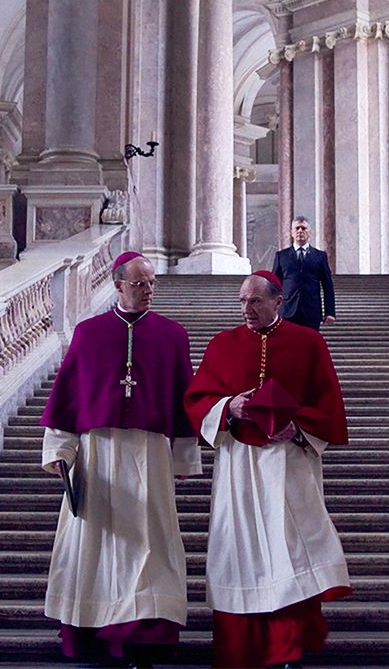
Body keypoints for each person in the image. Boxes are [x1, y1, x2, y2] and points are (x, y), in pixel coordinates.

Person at [39, 251, 201, 667]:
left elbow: (185, 399)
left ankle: (144, 637)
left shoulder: (172, 335)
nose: (148, 291)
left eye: (152, 283)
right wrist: (60, 450)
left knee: (151, 546)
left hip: (150, 455)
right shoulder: (89, 333)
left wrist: (184, 457)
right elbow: (69, 397)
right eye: (139, 284)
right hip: (98, 455)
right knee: (96, 546)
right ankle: (95, 635)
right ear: (117, 286)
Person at [184, 270, 351, 669]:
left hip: (290, 462)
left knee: (290, 550)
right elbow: (196, 399)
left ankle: (288, 646)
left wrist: (299, 426)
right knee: (237, 551)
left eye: (255, 301)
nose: (247, 309)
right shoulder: (222, 344)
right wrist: (229, 407)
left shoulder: (308, 342)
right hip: (238, 464)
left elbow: (329, 402)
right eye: (242, 301)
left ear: (279, 302)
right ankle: (239, 648)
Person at [271, 216, 336, 330]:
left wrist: (330, 312)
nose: (300, 231)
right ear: (291, 232)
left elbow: (327, 286)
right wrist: (272, 310)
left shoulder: (320, 256)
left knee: (309, 345)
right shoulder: (281, 256)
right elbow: (274, 286)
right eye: (297, 228)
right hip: (287, 310)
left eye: (303, 228)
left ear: (309, 232)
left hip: (311, 310)